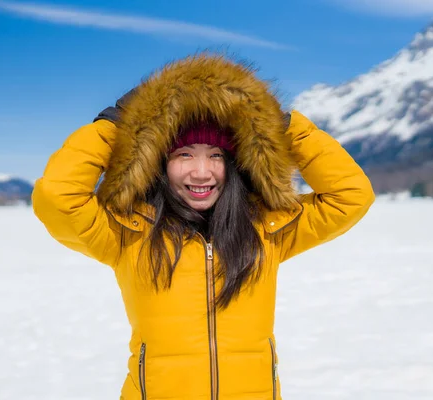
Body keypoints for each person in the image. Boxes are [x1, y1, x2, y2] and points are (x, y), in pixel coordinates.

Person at [32, 53, 375, 400]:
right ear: (157, 163)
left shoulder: (267, 229)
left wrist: (282, 127)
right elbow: (58, 197)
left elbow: (350, 195)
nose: (201, 172)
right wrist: (117, 125)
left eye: (216, 155)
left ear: (237, 163)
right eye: (183, 155)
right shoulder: (128, 233)